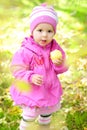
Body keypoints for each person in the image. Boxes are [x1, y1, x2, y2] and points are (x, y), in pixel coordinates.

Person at [10, 3, 68, 130]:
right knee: (29, 116)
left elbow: (63, 68)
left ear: (54, 32)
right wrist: (30, 76)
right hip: (32, 92)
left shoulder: (55, 48)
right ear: (32, 31)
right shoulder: (25, 51)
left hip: (48, 89)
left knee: (47, 113)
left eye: (49, 31)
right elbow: (17, 69)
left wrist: (59, 64)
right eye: (40, 30)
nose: (44, 35)